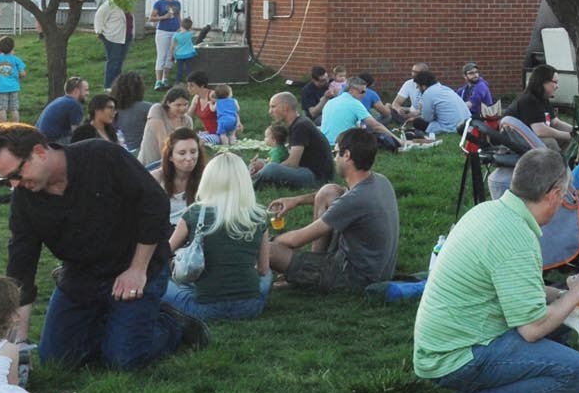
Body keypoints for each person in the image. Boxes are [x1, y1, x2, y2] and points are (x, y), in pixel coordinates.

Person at [412, 147, 579, 393]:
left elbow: (514, 288)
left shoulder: (490, 211)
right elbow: (532, 329)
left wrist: (563, 294)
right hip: (456, 355)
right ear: (554, 194)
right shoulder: (515, 236)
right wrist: (577, 294)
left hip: (444, 343)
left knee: (560, 329)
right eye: (566, 195)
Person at [0, 122, 198, 369]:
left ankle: (170, 325)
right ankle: (116, 326)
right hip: (81, 275)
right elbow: (22, 263)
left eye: (17, 174)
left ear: (39, 152)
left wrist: (137, 269)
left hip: (135, 265)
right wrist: (19, 341)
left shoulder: (102, 156)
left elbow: (154, 204)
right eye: (7, 179)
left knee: (123, 361)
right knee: (56, 360)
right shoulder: (24, 199)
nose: (14, 185)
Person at [264, 125, 400, 291]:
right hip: (377, 268)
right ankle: (311, 264)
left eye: (336, 153)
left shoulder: (354, 200)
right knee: (328, 191)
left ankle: (304, 275)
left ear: (347, 155)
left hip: (355, 278)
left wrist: (270, 243)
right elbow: (342, 197)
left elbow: (297, 239)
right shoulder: (380, 180)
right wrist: (296, 200)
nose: (335, 158)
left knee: (268, 251)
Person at [164, 152, 272, 322]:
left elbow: (164, 252)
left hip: (204, 309)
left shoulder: (194, 213)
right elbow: (263, 270)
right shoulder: (258, 216)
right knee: (269, 276)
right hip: (250, 307)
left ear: (208, 180)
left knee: (164, 285)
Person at [251, 92, 334, 191]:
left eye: (273, 107)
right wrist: (264, 163)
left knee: (271, 169)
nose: (270, 111)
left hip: (316, 177)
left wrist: (265, 168)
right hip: (307, 171)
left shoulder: (300, 126)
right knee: (262, 165)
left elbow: (292, 163)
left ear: (285, 108)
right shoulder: (298, 124)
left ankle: (247, 184)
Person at [137, 88, 194, 170]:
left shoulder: (187, 121)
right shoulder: (157, 110)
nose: (182, 108)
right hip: (149, 164)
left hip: (174, 165)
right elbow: (162, 140)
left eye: (185, 104)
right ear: (168, 103)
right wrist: (167, 166)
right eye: (178, 105)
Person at [156, 124, 206, 216]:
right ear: (170, 156)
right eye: (182, 153)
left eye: (193, 152)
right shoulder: (156, 179)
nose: (189, 158)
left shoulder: (207, 177)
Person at [94, 0, 136, 86]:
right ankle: (108, 86)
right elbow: (99, 17)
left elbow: (130, 19)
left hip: (126, 36)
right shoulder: (109, 5)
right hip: (113, 37)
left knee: (120, 62)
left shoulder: (127, 5)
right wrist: (99, 31)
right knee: (113, 62)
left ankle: (117, 85)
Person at [33, 78, 90, 145]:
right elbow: (77, 133)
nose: (88, 93)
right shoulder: (74, 105)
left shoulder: (60, 100)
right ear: (76, 91)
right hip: (51, 142)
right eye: (86, 90)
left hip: (38, 139)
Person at [0, 38, 26, 123]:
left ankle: (3, 125)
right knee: (14, 108)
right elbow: (22, 73)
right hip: (14, 87)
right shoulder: (16, 59)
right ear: (12, 47)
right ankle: (16, 125)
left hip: (0, 88)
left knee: (1, 108)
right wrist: (20, 77)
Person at [148, 0, 183, 85]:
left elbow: (178, 16)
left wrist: (181, 27)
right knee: (162, 55)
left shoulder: (177, 3)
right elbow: (151, 18)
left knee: (170, 55)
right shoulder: (159, 3)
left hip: (175, 31)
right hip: (163, 31)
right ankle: (158, 81)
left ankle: (165, 78)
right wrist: (163, 17)